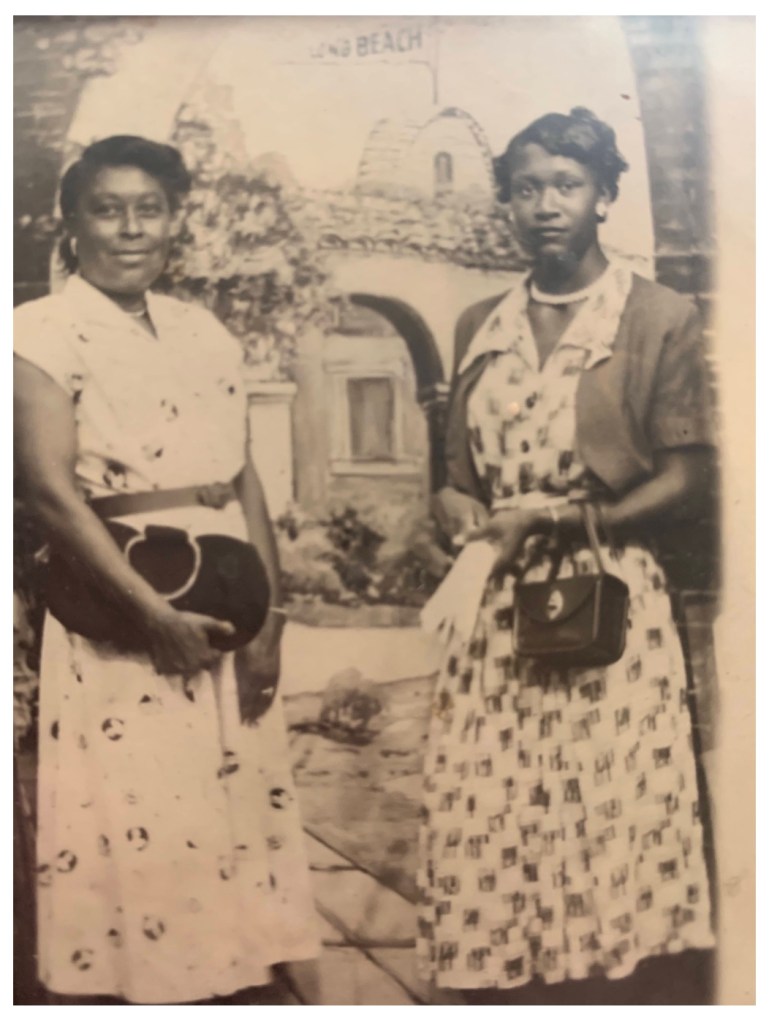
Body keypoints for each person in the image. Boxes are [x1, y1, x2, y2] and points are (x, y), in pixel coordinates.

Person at [417, 108, 717, 1004]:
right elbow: (449, 474)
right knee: (492, 810)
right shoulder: (481, 318)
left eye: (567, 185)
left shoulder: (653, 315)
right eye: (526, 188)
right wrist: (460, 510)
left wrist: (556, 523)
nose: (545, 205)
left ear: (603, 197)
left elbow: (689, 473)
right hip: (495, 602)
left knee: (602, 810)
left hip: (604, 594)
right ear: (506, 202)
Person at [14, 136, 319, 1005]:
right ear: (72, 225)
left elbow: (242, 473)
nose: (129, 229)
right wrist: (150, 615)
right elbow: (44, 489)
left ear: (174, 219)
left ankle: (234, 982)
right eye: (107, 210)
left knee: (229, 811)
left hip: (225, 604)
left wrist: (270, 624)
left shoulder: (203, 330)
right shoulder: (37, 330)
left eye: (148, 209)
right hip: (122, 603)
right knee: (144, 818)